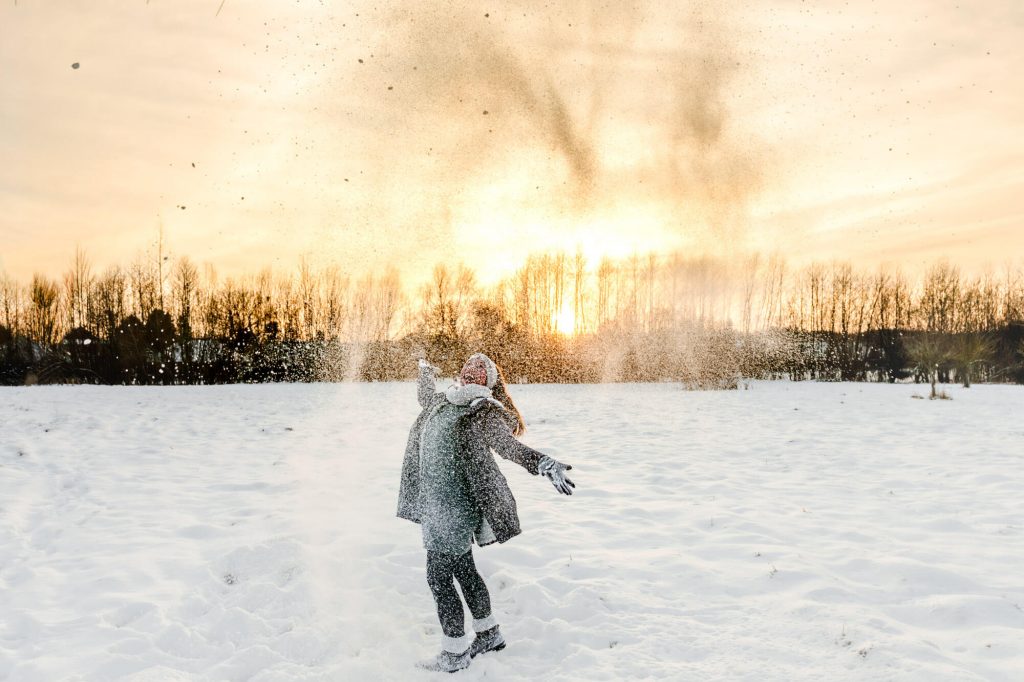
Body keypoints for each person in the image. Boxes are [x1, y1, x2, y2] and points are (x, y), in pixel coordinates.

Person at [397, 352, 575, 673]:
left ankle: (454, 653)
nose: (470, 368)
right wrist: (424, 369)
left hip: (455, 508)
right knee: (463, 570)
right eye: (467, 363)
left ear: (489, 381)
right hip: (435, 503)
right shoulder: (446, 399)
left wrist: (542, 463)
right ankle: (489, 633)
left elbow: (507, 445)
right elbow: (425, 396)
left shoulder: (482, 409)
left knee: (437, 576)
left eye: (481, 367)